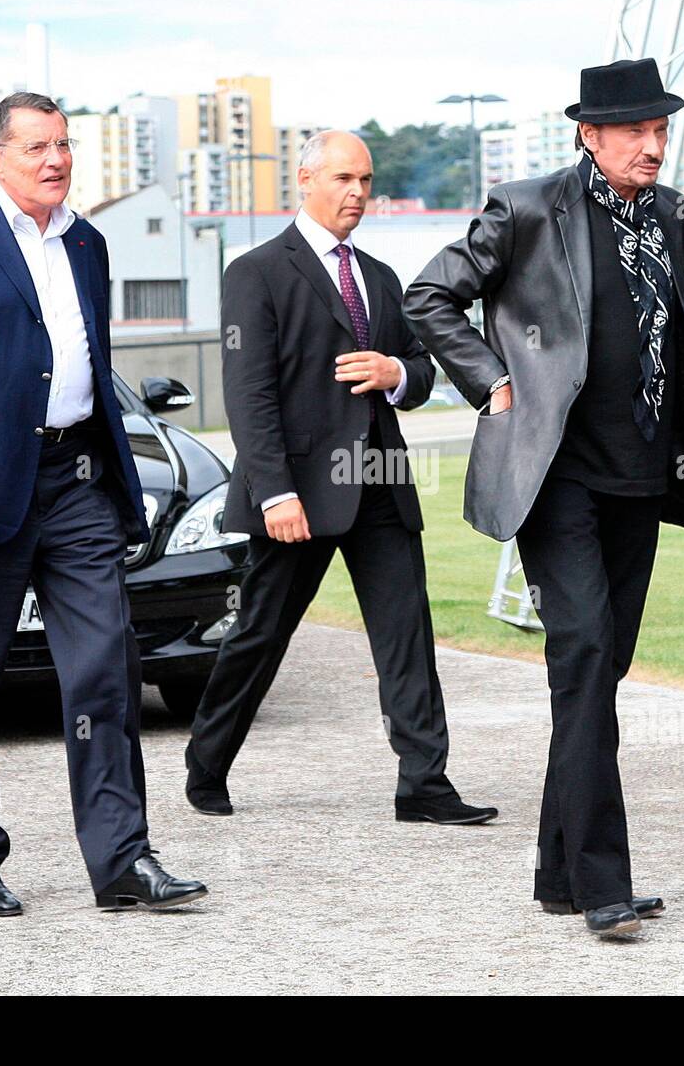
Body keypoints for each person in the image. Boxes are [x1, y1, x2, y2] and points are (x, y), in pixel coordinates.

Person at [405, 60, 684, 938]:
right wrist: (488, 383)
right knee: (586, 655)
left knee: (596, 671)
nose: (653, 146)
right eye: (634, 131)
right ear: (589, 134)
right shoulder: (525, 208)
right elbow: (430, 294)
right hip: (557, 478)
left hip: (643, 477)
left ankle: (558, 868)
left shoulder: (678, 217)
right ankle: (602, 882)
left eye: (662, 130)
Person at [0, 92, 206, 915]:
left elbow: (86, 363)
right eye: (36, 147)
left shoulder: (88, 241)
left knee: (104, 665)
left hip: (76, 485)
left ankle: (123, 859)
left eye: (64, 145)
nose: (55, 160)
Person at [184, 130, 497, 827]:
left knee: (405, 634)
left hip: (380, 480)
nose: (357, 192)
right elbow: (249, 392)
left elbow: (420, 370)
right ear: (306, 180)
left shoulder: (381, 277)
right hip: (295, 491)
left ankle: (424, 781)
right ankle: (207, 758)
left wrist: (396, 374)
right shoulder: (256, 271)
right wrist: (273, 491)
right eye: (343, 179)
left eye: (366, 180)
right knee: (262, 633)